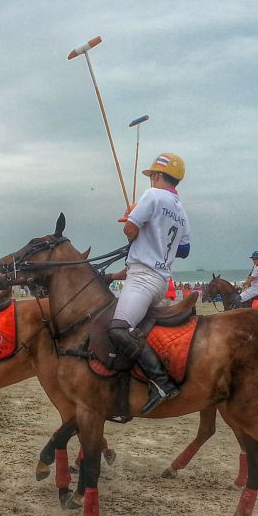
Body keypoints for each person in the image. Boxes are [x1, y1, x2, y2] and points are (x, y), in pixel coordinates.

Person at [107, 153, 191, 415]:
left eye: (152, 176)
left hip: (143, 280)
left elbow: (128, 231)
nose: (151, 180)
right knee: (138, 330)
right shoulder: (181, 211)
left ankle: (163, 382)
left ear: (157, 175)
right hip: (160, 281)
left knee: (118, 329)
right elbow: (184, 250)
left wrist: (136, 220)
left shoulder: (151, 196)